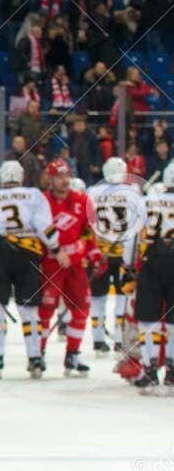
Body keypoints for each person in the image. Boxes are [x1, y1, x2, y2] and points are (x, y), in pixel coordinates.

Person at [0, 160, 61, 379]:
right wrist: (55, 249)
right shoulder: (34, 195)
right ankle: (35, 358)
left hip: (0, 256)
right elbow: (45, 227)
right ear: (21, 176)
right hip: (28, 256)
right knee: (30, 311)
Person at [37, 158, 99, 376]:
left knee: (81, 310)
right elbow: (37, 232)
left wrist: (94, 254)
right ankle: (38, 354)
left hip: (75, 266)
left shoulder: (83, 201)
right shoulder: (41, 201)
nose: (64, 180)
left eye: (66, 176)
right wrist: (53, 251)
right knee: (45, 312)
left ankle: (72, 354)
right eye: (59, 177)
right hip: (50, 265)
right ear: (50, 179)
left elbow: (88, 232)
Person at [86, 156, 147, 355]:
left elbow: (87, 223)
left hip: (100, 253)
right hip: (123, 254)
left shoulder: (92, 192)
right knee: (121, 297)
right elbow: (139, 224)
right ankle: (120, 340)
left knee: (98, 298)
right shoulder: (133, 192)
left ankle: (97, 340)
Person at [128, 168, 174, 390]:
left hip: (151, 260)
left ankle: (149, 369)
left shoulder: (147, 201)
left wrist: (128, 266)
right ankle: (173, 372)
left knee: (148, 319)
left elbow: (133, 238)